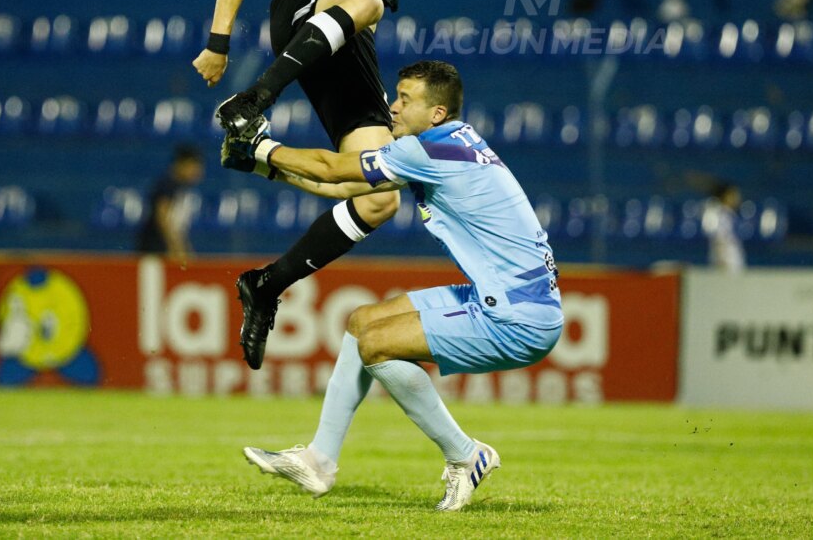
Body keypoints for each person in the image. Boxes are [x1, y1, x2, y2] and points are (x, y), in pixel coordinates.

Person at [191, 0, 580, 369]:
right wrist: (218, 43)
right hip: (304, 10)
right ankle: (255, 99)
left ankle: (265, 272)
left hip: (349, 38)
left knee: (378, 197)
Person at [224, 60, 562, 511]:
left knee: (377, 345)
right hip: (513, 297)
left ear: (436, 113)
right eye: (396, 96)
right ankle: (318, 461)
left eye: (405, 100)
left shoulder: (426, 152)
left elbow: (332, 169)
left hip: (517, 316)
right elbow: (342, 184)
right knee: (362, 322)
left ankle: (465, 455)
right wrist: (264, 165)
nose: (393, 107)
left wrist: (262, 147)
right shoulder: (451, 142)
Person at [134, 144, 205, 266]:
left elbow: (177, 227)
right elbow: (162, 218)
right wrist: (175, 249)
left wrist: (186, 251)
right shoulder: (168, 185)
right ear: (182, 164)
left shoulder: (179, 188)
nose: (198, 172)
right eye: (194, 166)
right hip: (156, 250)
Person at [704, 182, 746, 272]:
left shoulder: (728, 214)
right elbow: (719, 239)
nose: (738, 198)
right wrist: (722, 262)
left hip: (731, 262)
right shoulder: (722, 215)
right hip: (726, 263)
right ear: (726, 196)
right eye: (734, 195)